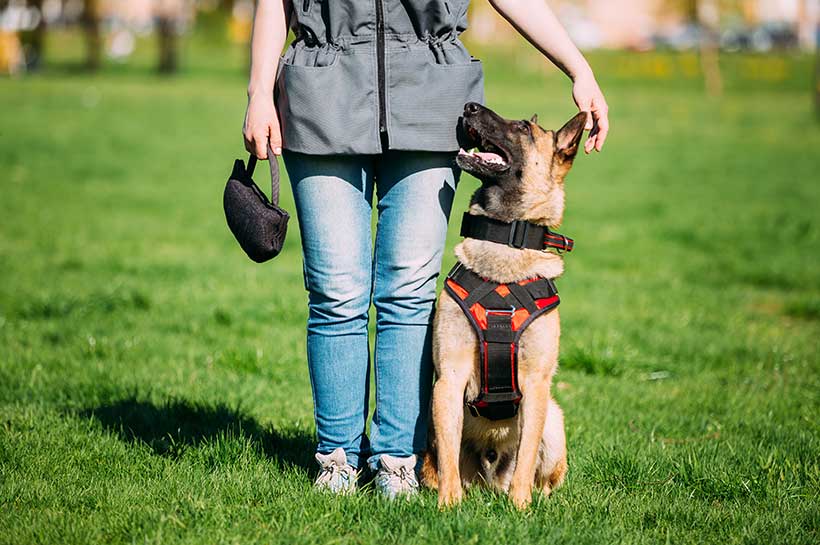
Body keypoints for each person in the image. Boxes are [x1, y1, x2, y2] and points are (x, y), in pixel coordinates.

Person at [243, 0, 609, 498]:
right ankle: (338, 461)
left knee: (409, 293)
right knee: (334, 292)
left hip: (430, 99)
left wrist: (578, 66)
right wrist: (259, 90)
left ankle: (397, 461)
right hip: (321, 93)